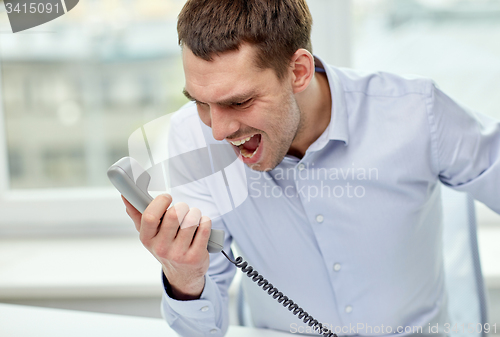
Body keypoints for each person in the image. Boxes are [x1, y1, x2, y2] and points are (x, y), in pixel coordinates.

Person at [122, 0, 500, 336]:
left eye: (239, 102)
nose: (218, 130)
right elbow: (202, 331)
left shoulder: (415, 112)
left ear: (299, 72)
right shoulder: (193, 138)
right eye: (201, 103)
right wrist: (184, 276)